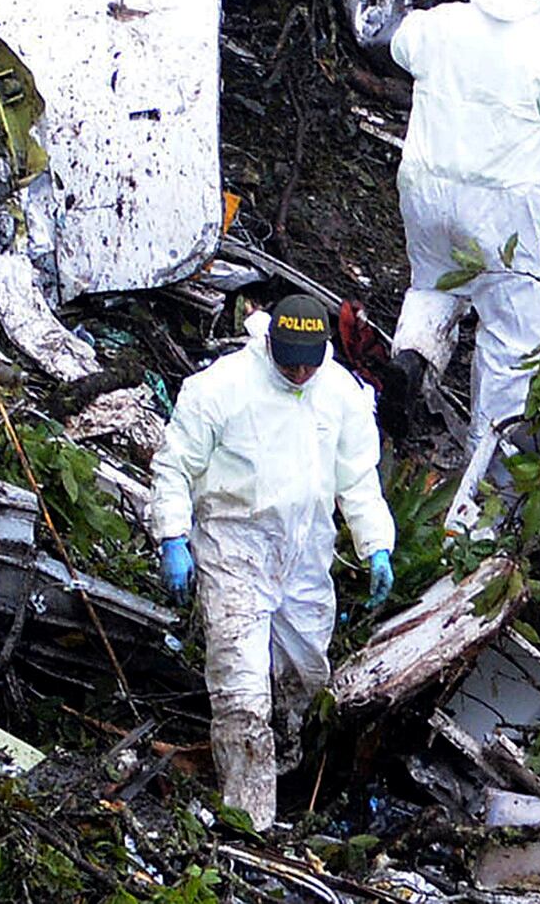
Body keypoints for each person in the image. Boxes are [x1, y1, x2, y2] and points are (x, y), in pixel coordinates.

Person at [148, 300, 395, 833]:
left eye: (308, 363)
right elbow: (174, 467)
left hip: (306, 555)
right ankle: (248, 822)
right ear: (269, 346)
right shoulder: (220, 388)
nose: (299, 374)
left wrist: (375, 543)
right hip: (235, 546)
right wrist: (173, 535)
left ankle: (286, 780)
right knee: (242, 690)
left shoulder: (340, 394)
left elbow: (357, 479)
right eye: (289, 363)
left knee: (304, 677)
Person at [387, 0, 540, 499]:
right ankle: (484, 478)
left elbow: (399, 43)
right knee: (511, 336)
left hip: (426, 190)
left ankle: (410, 359)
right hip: (500, 208)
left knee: (433, 287)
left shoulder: (442, 23)